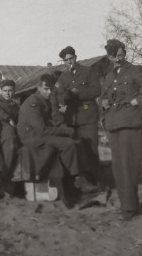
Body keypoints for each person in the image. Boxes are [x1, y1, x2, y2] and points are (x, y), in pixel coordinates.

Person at [100, 39, 142, 221]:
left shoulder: (135, 70)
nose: (118, 59)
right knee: (118, 168)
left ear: (124, 53)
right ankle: (125, 205)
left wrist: (138, 101)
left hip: (131, 123)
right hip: (113, 124)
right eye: (114, 56)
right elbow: (103, 95)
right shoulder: (109, 74)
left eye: (121, 55)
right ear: (109, 56)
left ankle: (129, 208)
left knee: (129, 166)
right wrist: (102, 102)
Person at [17, 74, 91, 193]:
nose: (49, 92)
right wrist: (64, 131)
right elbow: (42, 129)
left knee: (76, 141)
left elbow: (52, 119)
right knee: (68, 144)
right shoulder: (33, 103)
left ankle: (82, 177)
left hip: (39, 134)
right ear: (38, 88)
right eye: (46, 89)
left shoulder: (43, 100)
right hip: (31, 137)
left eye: (51, 89)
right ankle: (76, 181)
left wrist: (63, 127)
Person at [56, 46, 102, 187]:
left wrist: (79, 93)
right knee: (76, 150)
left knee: (91, 150)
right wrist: (68, 96)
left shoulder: (88, 71)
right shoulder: (63, 77)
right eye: (66, 60)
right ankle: (81, 183)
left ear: (76, 57)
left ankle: (98, 182)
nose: (69, 62)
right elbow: (60, 97)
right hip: (72, 119)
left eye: (71, 58)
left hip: (87, 117)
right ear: (63, 62)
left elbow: (97, 90)